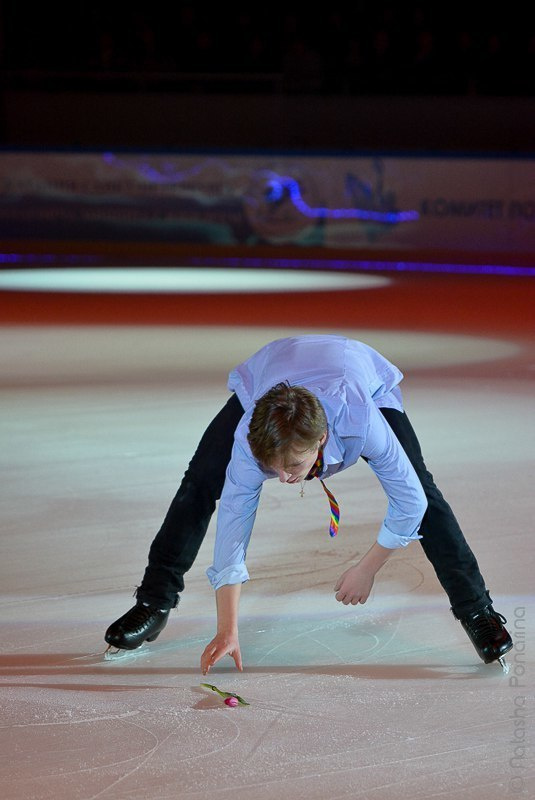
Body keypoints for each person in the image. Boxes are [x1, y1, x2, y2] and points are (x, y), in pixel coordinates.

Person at [105, 335, 513, 673]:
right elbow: (234, 523)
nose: (284, 479)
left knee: (424, 490)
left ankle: (478, 611)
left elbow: (410, 501)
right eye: (273, 467)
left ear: (320, 441)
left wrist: (366, 568)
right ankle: (153, 602)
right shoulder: (249, 439)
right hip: (278, 368)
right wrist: (227, 628)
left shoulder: (360, 420)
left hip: (354, 373)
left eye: (294, 466)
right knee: (198, 482)